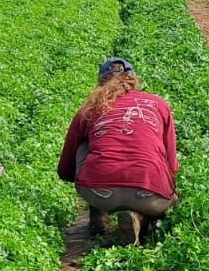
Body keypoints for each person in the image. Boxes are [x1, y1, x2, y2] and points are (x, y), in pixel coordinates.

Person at [57, 57, 179, 246]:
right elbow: (172, 164)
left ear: (100, 83)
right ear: (134, 80)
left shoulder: (90, 108)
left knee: (86, 144)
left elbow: (65, 169)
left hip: (99, 194)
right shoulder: (158, 104)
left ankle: (98, 216)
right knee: (154, 156)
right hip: (150, 195)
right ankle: (140, 218)